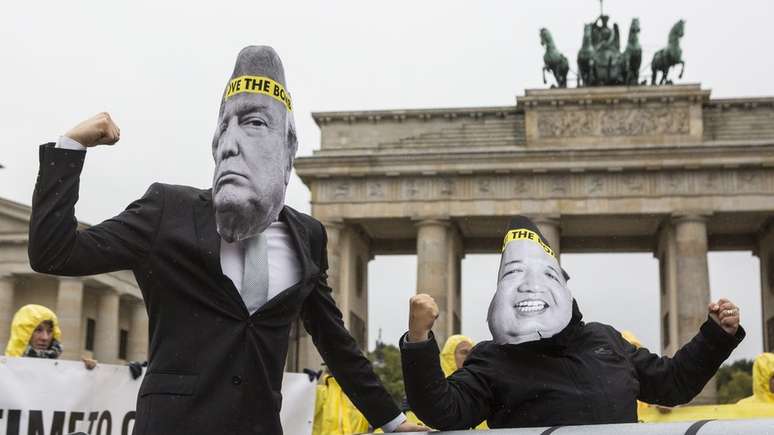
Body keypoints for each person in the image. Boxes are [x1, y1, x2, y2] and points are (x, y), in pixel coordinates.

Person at [28, 46, 422, 434]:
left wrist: (391, 420)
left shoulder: (309, 236)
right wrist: (71, 146)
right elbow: (54, 254)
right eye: (224, 127)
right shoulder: (167, 210)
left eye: (253, 123)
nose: (230, 142)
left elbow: (335, 342)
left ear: (288, 147)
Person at [400, 215, 745, 430]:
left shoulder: (605, 340)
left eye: (546, 275)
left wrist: (716, 335)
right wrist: (418, 339)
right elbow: (444, 411)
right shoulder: (494, 358)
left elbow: (672, 384)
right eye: (515, 274)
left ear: (563, 285)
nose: (530, 286)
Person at [5, 304, 96, 369]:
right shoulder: (4, 370)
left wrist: (89, 375)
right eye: (38, 330)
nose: (45, 337)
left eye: (49, 331)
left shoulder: (62, 373)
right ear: (23, 333)